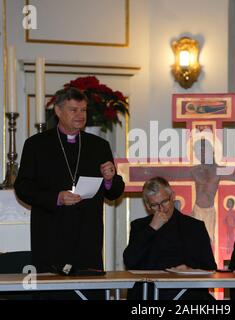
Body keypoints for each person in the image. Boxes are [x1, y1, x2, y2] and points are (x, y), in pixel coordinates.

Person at [14, 87, 125, 280]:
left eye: (83, 110)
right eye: (74, 110)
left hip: (87, 237)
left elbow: (114, 192)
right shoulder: (36, 145)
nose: (80, 115)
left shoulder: (99, 146)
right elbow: (23, 187)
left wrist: (109, 180)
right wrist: (56, 197)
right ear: (58, 111)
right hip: (51, 235)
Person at [123, 176, 217, 300]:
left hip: (187, 294)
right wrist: (151, 228)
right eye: (155, 205)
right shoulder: (140, 227)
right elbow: (130, 261)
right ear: (147, 205)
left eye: (164, 202)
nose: (161, 209)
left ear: (172, 196)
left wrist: (191, 270)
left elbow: (210, 267)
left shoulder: (195, 227)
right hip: (149, 295)